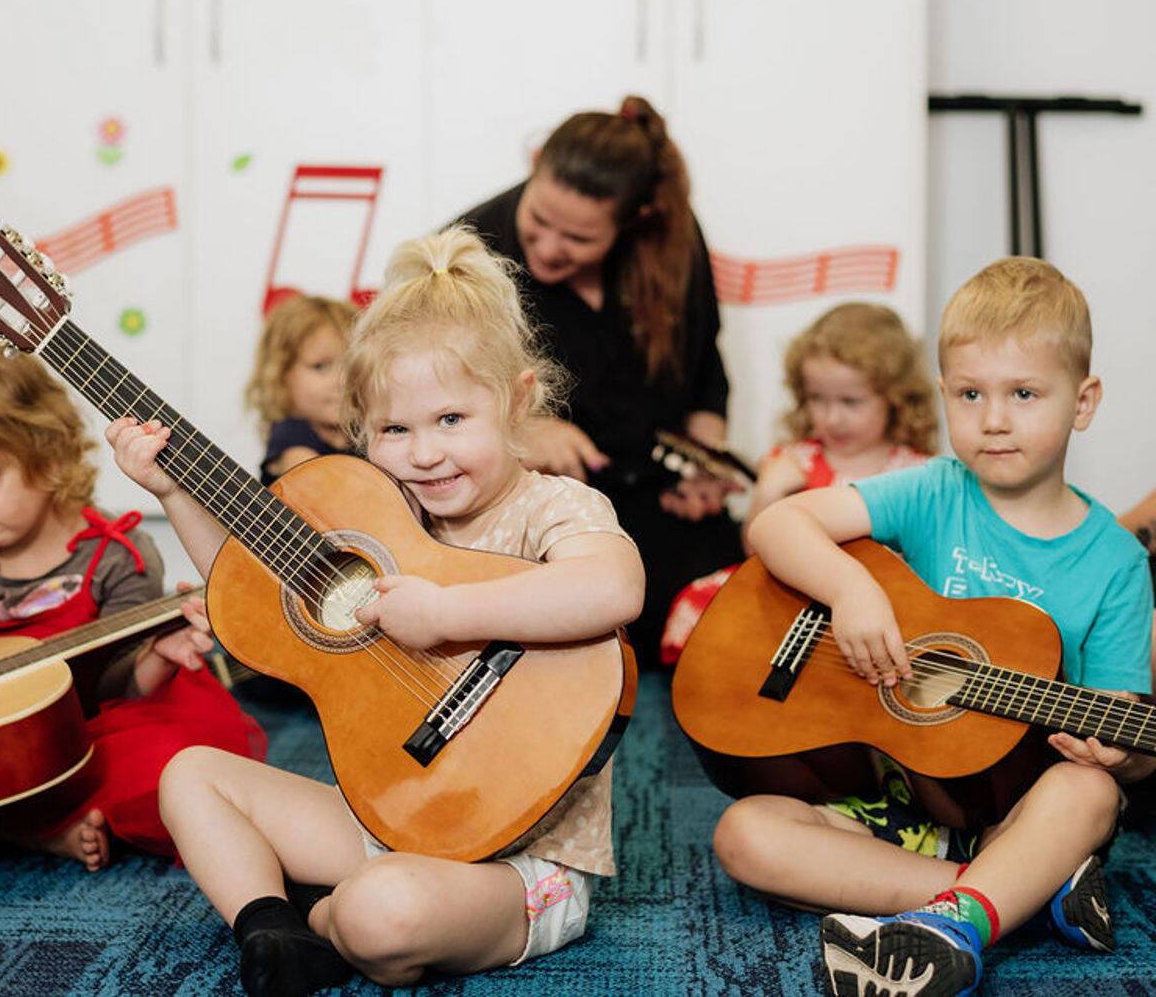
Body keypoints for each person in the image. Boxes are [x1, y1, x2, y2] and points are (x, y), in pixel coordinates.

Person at [107, 226, 644, 994]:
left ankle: (328, 923)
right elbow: (250, 592)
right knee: (189, 774)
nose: (424, 453)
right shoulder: (376, 515)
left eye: (452, 420)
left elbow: (612, 589)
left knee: (381, 913)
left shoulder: (553, 506)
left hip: (523, 865)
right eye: (395, 429)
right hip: (387, 816)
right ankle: (273, 926)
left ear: (518, 400)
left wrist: (446, 612)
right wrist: (171, 491)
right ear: (362, 427)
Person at [712, 258, 1154, 995]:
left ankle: (960, 924)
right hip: (894, 797)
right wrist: (852, 589)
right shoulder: (932, 491)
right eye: (971, 392)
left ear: (1083, 401)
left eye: (1023, 393)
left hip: (1016, 812)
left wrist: (1121, 756)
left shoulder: (1112, 561)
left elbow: (1128, 733)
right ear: (944, 391)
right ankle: (1015, 894)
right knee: (744, 833)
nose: (994, 418)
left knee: (1092, 795)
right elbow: (779, 523)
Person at [0, 344, 266, 868]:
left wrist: (158, 656)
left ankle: (31, 826)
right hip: (14, 730)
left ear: (49, 454)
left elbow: (121, 685)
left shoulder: (117, 556)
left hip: (110, 715)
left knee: (171, 771)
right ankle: (39, 828)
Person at [456, 95, 739, 662]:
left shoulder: (673, 239)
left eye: (578, 239)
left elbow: (705, 364)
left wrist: (704, 461)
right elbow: (426, 395)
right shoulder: (471, 247)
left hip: (653, 492)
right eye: (538, 220)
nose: (547, 247)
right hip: (531, 504)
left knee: (728, 628)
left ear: (633, 221)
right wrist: (522, 428)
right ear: (534, 167)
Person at [659, 302, 936, 663]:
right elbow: (753, 551)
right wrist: (769, 491)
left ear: (896, 399)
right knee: (706, 602)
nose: (832, 417)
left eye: (851, 402)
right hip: (792, 599)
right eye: (817, 399)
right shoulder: (795, 460)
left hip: (879, 607)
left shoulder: (918, 474)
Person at [246, 294, 358, 487]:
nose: (342, 380)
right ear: (280, 375)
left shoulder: (361, 434)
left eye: (352, 366)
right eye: (320, 367)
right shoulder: (292, 435)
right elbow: (319, 492)